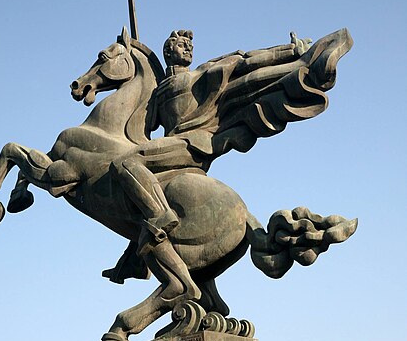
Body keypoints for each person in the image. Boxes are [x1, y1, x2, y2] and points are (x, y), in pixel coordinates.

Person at [110, 28, 312, 249]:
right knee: (137, 190)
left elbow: (244, 61)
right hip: (169, 147)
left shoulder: (199, 75)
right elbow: (139, 129)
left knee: (125, 162)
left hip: (190, 143)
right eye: (181, 44)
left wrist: (290, 50)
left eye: (190, 46)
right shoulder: (157, 93)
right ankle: (136, 259)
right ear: (168, 51)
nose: (188, 48)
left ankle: (162, 216)